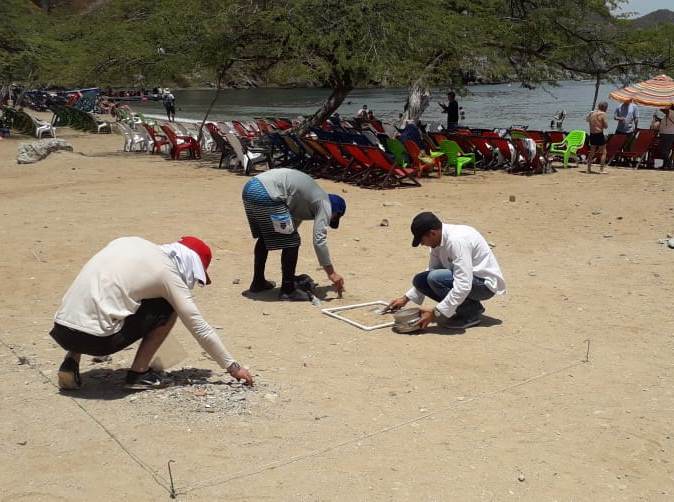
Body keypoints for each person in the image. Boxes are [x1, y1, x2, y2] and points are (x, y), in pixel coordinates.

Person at [50, 236, 253, 391]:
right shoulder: (166, 272)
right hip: (96, 341)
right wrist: (232, 367)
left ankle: (71, 361)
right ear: (191, 263)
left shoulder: (129, 242)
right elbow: (199, 327)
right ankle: (138, 374)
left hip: (62, 330)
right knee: (168, 306)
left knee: (106, 298)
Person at [388, 212, 506, 330]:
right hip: (467, 280)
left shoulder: (457, 241)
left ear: (432, 233)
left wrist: (435, 313)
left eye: (422, 240)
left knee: (434, 278)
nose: (422, 244)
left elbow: (463, 284)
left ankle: (470, 313)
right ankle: (470, 307)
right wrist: (405, 298)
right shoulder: (437, 241)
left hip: (483, 285)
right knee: (420, 280)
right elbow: (432, 270)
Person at [242, 168, 346, 301]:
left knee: (267, 236)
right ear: (335, 212)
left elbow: (288, 228)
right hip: (267, 193)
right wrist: (331, 273)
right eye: (334, 218)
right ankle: (288, 290)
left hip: (251, 187)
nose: (329, 220)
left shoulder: (306, 200)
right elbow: (319, 240)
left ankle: (258, 282)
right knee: (292, 241)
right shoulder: (325, 203)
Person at [585, 101, 609, 174]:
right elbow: (606, 126)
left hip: (592, 134)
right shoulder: (603, 114)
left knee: (592, 152)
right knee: (604, 152)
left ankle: (588, 169)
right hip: (599, 134)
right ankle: (601, 169)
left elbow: (587, 120)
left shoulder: (592, 113)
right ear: (605, 108)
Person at [659, 105, 674, 169]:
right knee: (666, 151)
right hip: (665, 133)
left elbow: (662, 109)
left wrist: (661, 103)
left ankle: (669, 164)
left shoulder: (671, 112)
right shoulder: (669, 113)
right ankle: (665, 165)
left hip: (668, 134)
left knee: (664, 151)